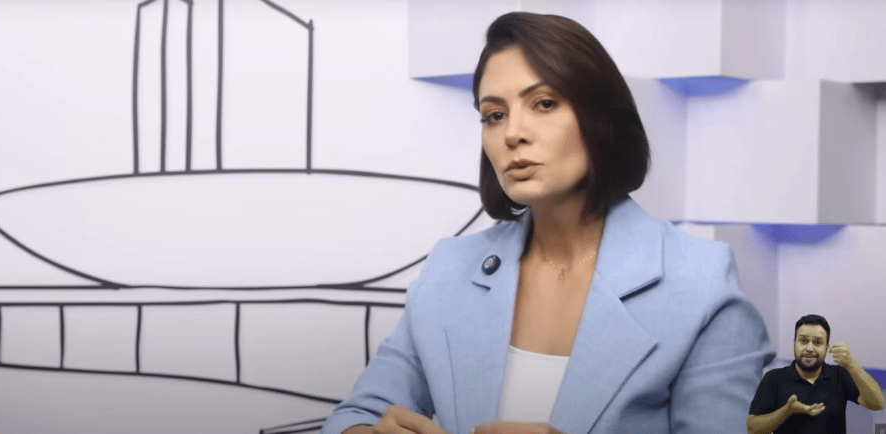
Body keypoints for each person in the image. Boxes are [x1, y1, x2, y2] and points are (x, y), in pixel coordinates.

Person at [322, 12, 774, 434]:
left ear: (600, 117)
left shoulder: (701, 282)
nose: (512, 133)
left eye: (543, 103)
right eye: (494, 115)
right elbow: (357, 414)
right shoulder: (450, 267)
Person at [747, 315, 885, 434]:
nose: (809, 348)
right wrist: (787, 410)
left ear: (826, 348)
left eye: (817, 342)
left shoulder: (840, 375)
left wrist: (851, 364)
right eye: (803, 341)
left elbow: (877, 403)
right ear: (794, 343)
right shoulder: (774, 378)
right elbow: (752, 429)